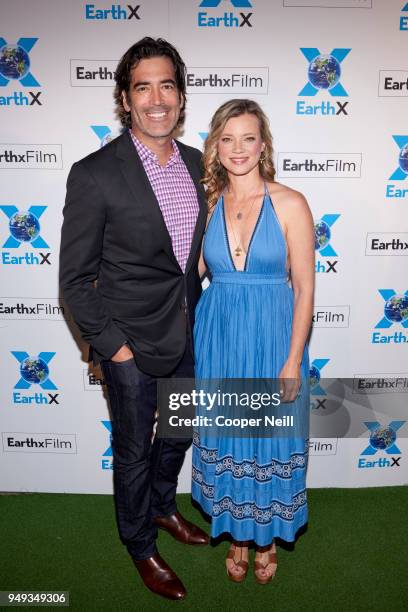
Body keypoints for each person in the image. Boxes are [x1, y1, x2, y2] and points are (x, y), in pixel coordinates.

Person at [59, 37, 209, 601]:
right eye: (142, 87)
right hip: (128, 344)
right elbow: (73, 280)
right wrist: (114, 350)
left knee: (176, 435)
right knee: (131, 449)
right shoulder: (94, 173)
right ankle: (140, 543)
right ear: (125, 99)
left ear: (180, 96)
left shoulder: (200, 165)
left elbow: (190, 257)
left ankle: (165, 508)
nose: (156, 99)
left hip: (189, 332)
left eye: (166, 85)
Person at [192, 99, 314, 584]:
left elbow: (304, 287)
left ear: (263, 145)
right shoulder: (209, 204)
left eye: (248, 138)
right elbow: (188, 275)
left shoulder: (290, 203)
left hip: (271, 338)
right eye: (228, 138)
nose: (238, 148)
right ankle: (238, 536)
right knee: (230, 436)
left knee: (268, 440)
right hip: (219, 337)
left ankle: (265, 540)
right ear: (216, 147)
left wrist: (291, 360)